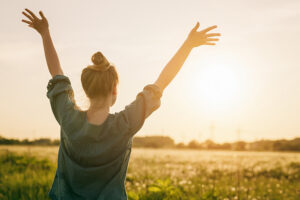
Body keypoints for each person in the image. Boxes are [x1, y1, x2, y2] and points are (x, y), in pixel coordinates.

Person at [22, 8, 220, 200]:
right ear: (114, 91)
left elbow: (56, 73)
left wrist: (45, 33)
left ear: (86, 89)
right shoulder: (125, 124)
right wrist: (188, 45)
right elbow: (161, 82)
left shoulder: (67, 117)